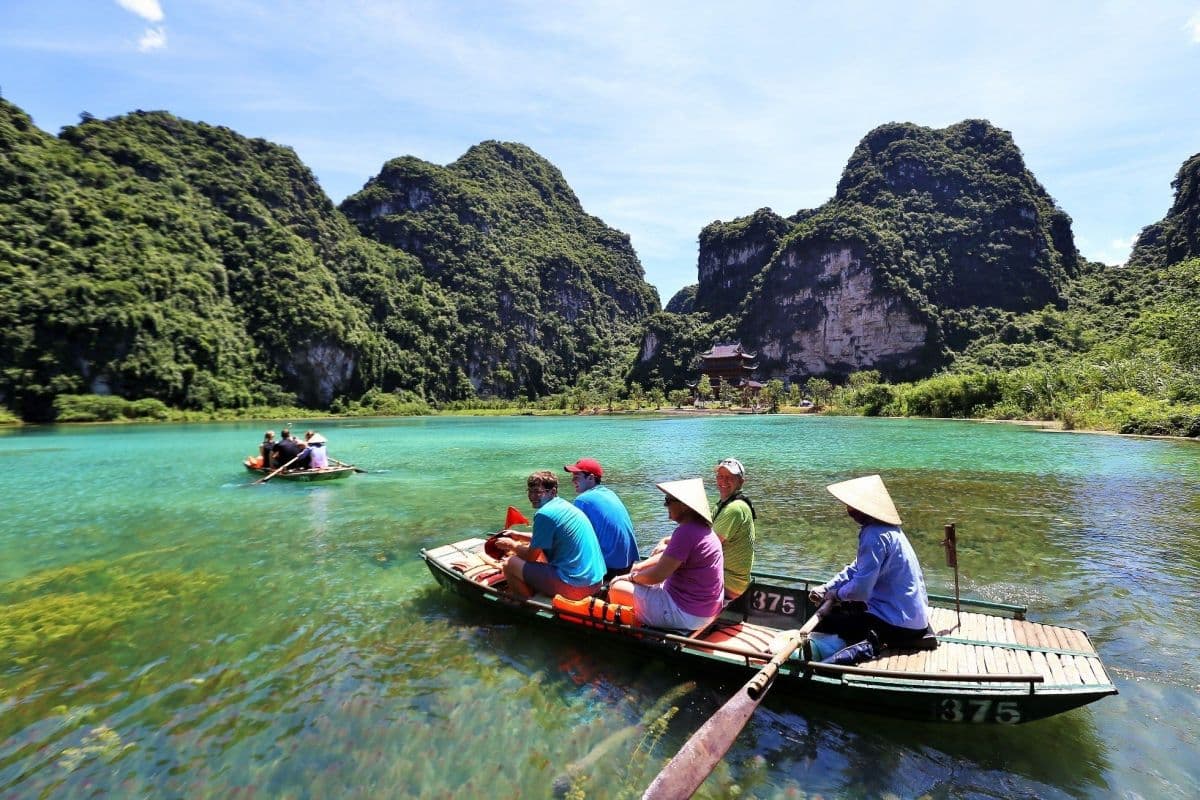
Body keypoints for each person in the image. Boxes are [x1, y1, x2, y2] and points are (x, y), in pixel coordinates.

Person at [809, 474, 933, 663]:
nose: (848, 511)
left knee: (828, 621)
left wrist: (836, 595)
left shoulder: (874, 535)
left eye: (852, 507)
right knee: (842, 610)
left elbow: (860, 590)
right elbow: (856, 568)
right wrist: (827, 588)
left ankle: (827, 662)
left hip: (897, 622)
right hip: (913, 615)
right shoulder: (889, 530)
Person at [608, 478, 724, 631]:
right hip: (705, 610)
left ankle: (629, 631)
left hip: (687, 614)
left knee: (616, 587)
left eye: (668, 501)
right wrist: (640, 568)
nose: (665, 505)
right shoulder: (701, 529)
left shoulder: (685, 533)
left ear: (684, 506)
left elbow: (657, 576)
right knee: (642, 578)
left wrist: (631, 577)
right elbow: (668, 559)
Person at [492, 471, 605, 600]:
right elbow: (550, 537)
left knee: (509, 564)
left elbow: (530, 557)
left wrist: (511, 545)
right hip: (596, 581)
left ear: (552, 492)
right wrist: (518, 535)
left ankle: (527, 603)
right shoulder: (564, 506)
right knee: (540, 553)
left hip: (578, 587)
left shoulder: (544, 514)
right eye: (530, 491)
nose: (532, 496)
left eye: (537, 492)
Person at [564, 458, 640, 580]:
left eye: (577, 476)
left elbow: (572, 539)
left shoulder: (582, 500)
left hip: (609, 569)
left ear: (591, 478)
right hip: (628, 563)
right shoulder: (609, 493)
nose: (573, 480)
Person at [712, 458, 756, 601]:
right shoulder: (723, 504)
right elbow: (701, 531)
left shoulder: (734, 508)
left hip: (730, 583)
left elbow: (705, 546)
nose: (724, 481)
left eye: (730, 477)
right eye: (720, 476)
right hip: (730, 580)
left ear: (741, 482)